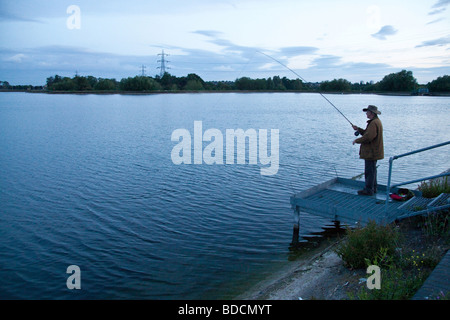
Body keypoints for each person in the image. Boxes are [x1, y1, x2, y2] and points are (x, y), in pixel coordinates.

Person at [352, 105, 384, 196]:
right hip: (374, 151)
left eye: (367, 112)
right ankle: (373, 188)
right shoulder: (375, 122)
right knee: (372, 170)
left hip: (371, 152)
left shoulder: (374, 123)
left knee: (369, 171)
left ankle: (368, 190)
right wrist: (358, 129)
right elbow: (367, 133)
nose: (366, 113)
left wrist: (356, 140)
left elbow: (369, 137)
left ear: (372, 113)